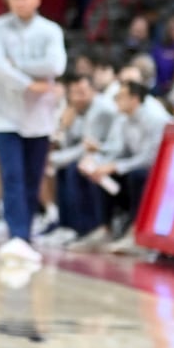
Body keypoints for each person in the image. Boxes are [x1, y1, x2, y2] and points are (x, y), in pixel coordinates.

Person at [0, 0, 67, 267]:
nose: (20, 2)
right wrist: (28, 83)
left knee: (33, 178)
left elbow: (55, 66)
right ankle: (15, 235)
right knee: (13, 176)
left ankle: (26, 235)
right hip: (5, 117)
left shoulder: (50, 30)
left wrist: (16, 65)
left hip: (40, 118)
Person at [83, 79, 172, 254]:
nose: (116, 101)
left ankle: (135, 232)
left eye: (121, 97)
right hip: (135, 166)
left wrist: (115, 166)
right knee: (101, 174)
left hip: (159, 172)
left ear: (135, 99)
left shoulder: (155, 120)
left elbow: (149, 158)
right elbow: (119, 150)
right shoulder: (124, 119)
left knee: (136, 175)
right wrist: (97, 162)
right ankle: (106, 228)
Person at [43, 73, 118, 248]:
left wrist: (53, 158)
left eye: (83, 92)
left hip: (108, 157)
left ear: (93, 91)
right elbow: (66, 144)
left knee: (72, 168)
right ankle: (65, 225)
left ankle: (82, 228)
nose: (78, 98)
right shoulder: (73, 109)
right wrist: (64, 126)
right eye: (74, 93)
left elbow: (85, 147)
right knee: (63, 168)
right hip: (89, 157)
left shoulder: (101, 110)